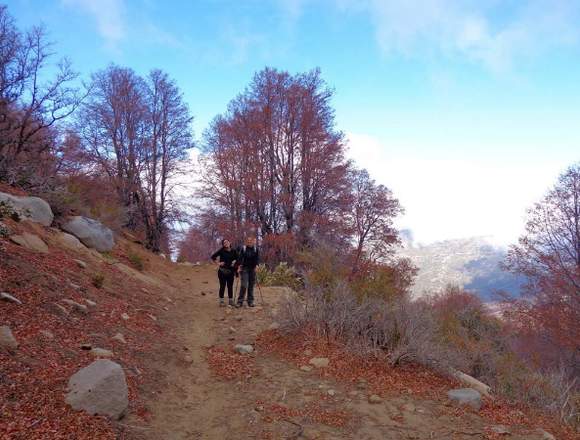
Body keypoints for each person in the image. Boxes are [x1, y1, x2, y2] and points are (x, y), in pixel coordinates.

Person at [210, 239, 238, 306]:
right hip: (222, 271)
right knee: (222, 286)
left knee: (230, 286)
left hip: (231, 271)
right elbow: (213, 257)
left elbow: (239, 258)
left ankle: (231, 301)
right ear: (223, 245)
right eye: (224, 243)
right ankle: (221, 301)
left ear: (229, 242)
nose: (226, 243)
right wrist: (218, 263)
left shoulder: (234, 251)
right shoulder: (221, 250)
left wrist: (235, 261)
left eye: (227, 242)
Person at [236, 236, 260, 308]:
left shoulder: (256, 249)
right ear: (246, 242)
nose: (250, 242)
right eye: (248, 241)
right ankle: (240, 301)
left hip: (252, 269)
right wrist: (239, 266)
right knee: (244, 285)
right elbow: (240, 258)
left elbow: (257, 259)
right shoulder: (243, 248)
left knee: (251, 285)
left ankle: (250, 301)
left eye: (251, 241)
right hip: (244, 268)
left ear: (253, 242)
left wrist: (257, 266)